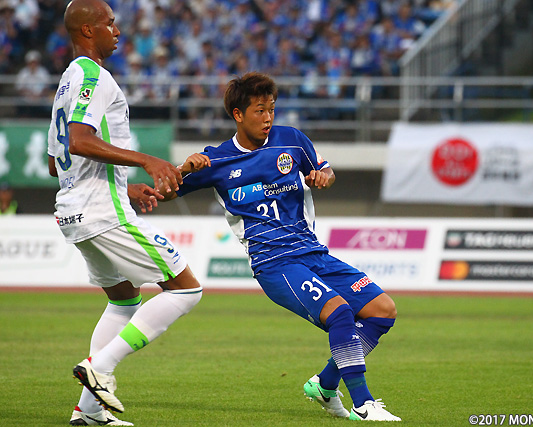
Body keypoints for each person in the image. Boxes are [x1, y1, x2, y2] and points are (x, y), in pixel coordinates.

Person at [163, 72, 401, 422]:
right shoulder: (216, 160)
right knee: (340, 314)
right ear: (238, 114)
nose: (268, 117)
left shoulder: (291, 140)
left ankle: (325, 384)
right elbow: (165, 192)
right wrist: (184, 168)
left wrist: (323, 177)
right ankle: (363, 404)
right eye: (259, 110)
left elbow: (326, 171)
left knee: (382, 310)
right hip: (274, 263)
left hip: (313, 252)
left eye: (271, 109)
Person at [46, 1, 203, 425]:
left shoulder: (67, 80)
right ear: (87, 30)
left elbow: (56, 162)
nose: (117, 30)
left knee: (124, 298)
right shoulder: (93, 76)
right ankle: (100, 367)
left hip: (75, 211)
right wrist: (146, 161)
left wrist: (122, 186)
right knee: (186, 290)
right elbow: (79, 141)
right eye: (109, 23)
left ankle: (88, 411)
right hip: (100, 213)